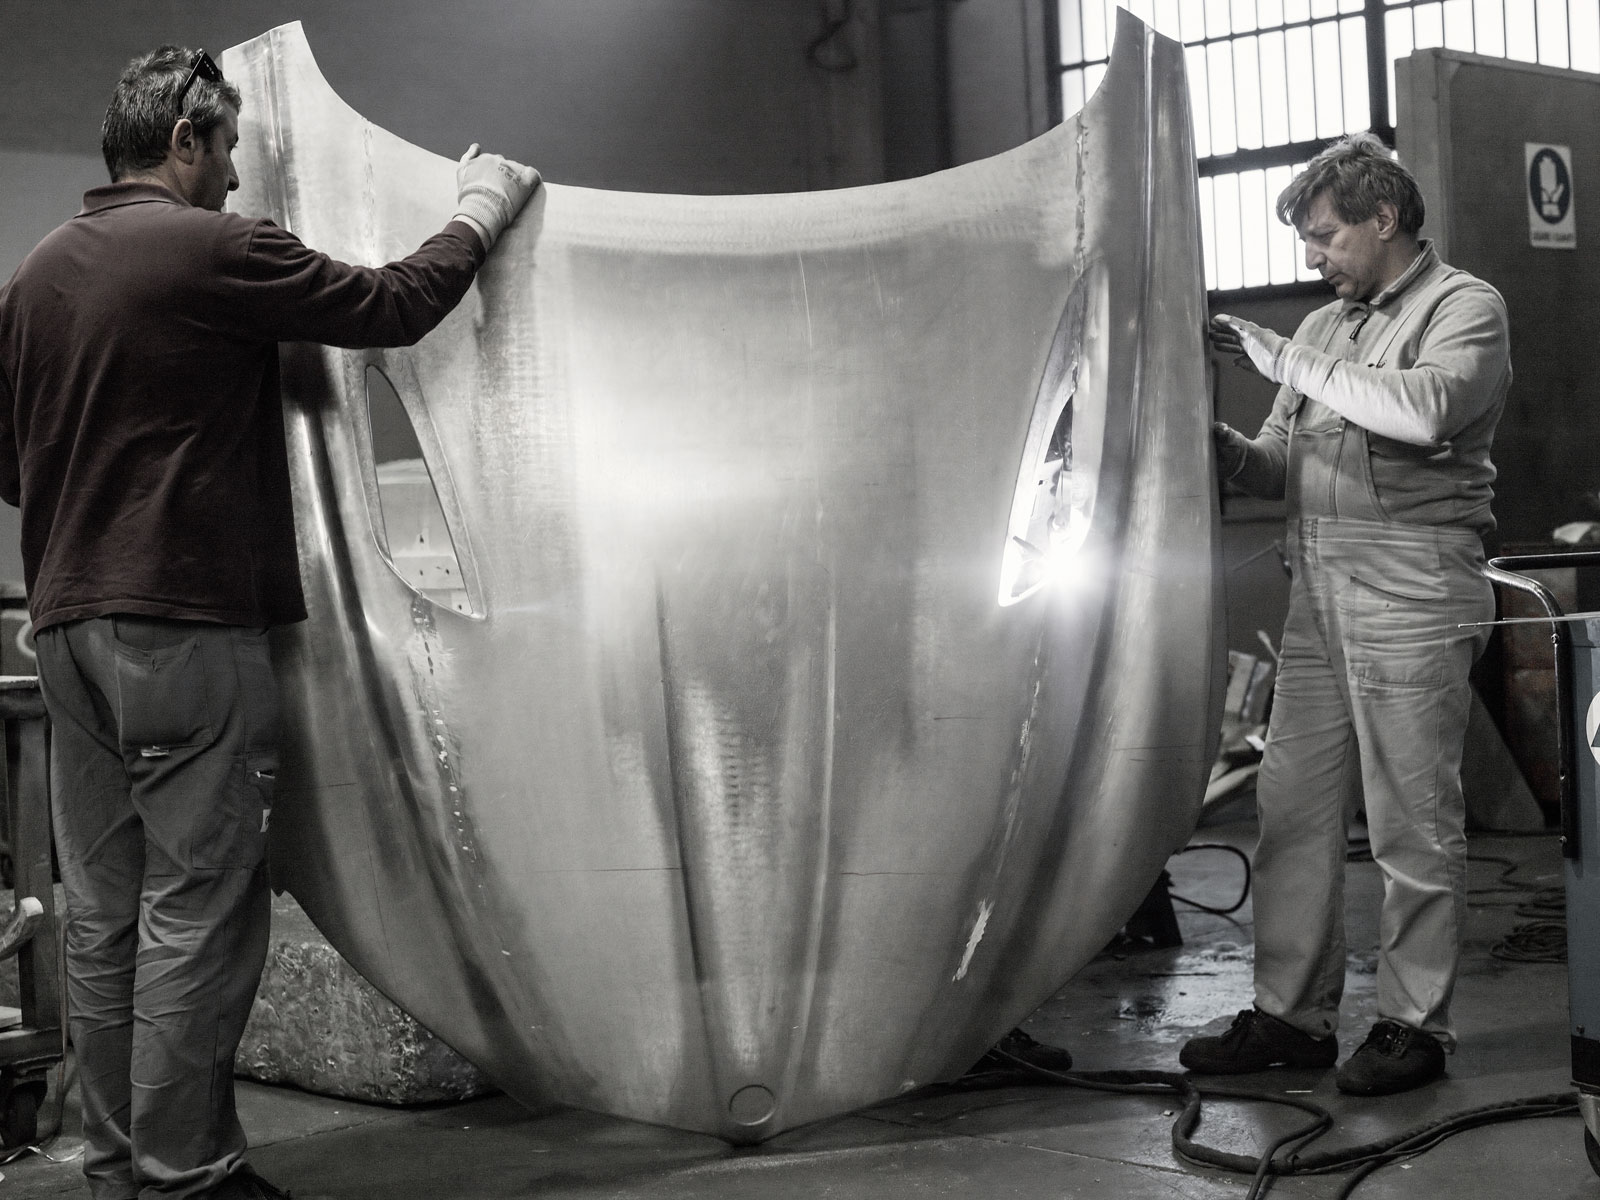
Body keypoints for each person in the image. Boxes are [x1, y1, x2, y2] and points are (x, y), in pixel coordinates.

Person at [0, 46, 539, 1200]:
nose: (237, 177)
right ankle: (187, 1173)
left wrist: (93, 495)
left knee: (101, 919)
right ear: (185, 141)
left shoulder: (38, 275)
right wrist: (482, 213)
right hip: (185, 626)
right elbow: (393, 306)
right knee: (201, 902)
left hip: (64, 628)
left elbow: (11, 459)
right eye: (228, 150)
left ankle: (116, 1168)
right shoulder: (218, 252)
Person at [1178, 133, 1511, 1096]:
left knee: (1413, 822)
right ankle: (1291, 1015)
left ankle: (1415, 1025)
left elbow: (1425, 413)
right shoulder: (1326, 330)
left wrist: (1273, 350)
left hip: (1412, 586)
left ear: (1384, 219)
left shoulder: (1465, 307)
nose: (1312, 260)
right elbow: (1283, 459)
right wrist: (1220, 448)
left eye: (1325, 238)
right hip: (1317, 592)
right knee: (1292, 812)